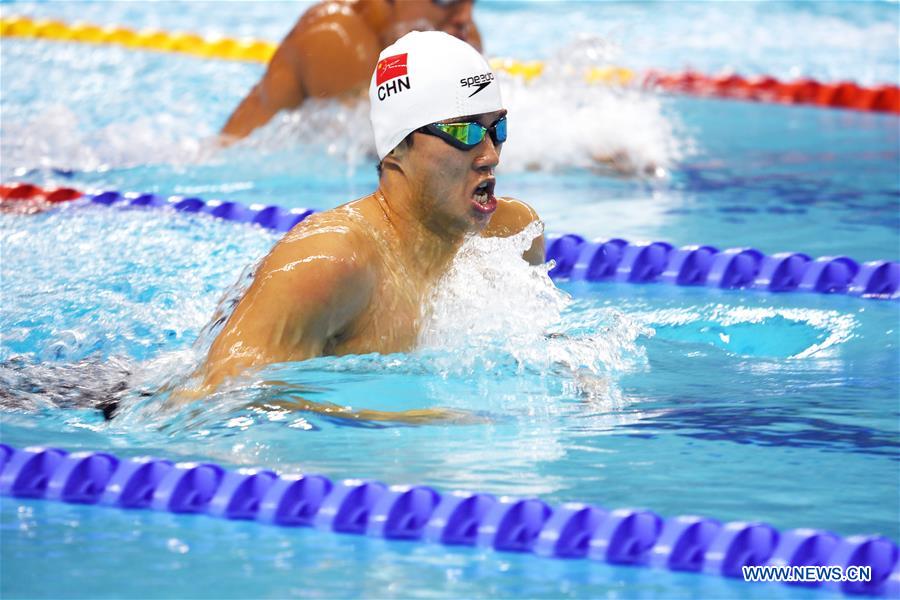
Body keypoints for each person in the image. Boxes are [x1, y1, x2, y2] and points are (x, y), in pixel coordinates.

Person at [190, 31, 544, 421]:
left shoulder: (512, 235)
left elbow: (534, 349)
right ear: (397, 148)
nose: (490, 154)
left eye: (498, 129)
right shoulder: (328, 261)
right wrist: (404, 419)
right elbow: (217, 399)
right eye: (464, 132)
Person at [221, 0, 482, 140]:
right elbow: (392, 149)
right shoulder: (335, 36)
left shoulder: (460, 33)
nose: (464, 17)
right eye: (446, 0)